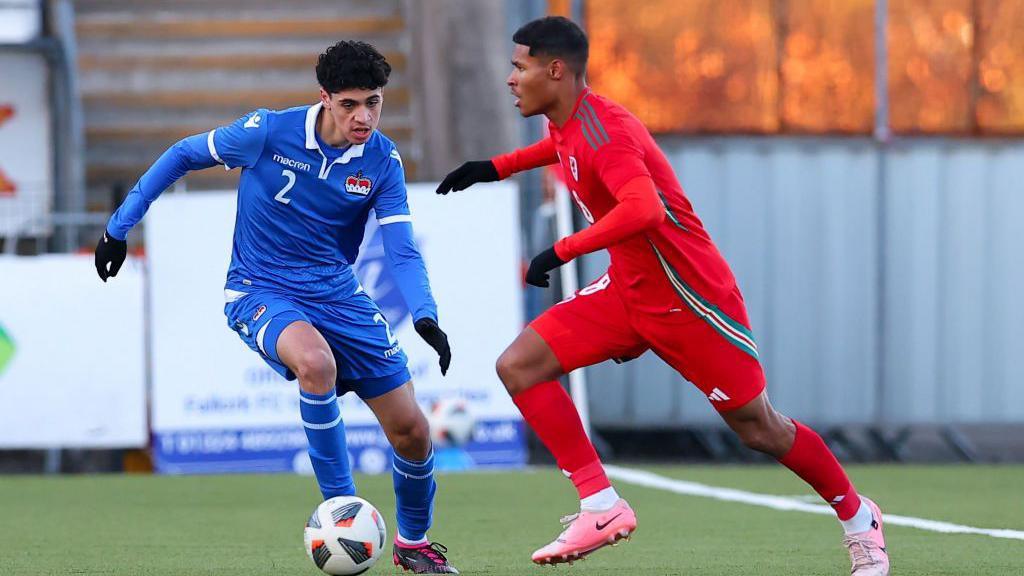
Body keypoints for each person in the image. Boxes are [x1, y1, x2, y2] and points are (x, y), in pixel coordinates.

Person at [436, 16, 888, 575]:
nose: (511, 79)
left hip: (690, 298)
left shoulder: (608, 130)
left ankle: (858, 517)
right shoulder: (569, 118)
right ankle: (600, 505)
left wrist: (563, 250)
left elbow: (643, 209)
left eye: (519, 67)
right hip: (628, 292)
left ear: (555, 71)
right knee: (520, 366)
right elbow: (566, 150)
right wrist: (495, 168)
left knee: (759, 428)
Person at [96, 40, 459, 574]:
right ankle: (341, 511)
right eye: (350, 104)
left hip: (337, 292)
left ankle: (414, 544)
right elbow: (182, 155)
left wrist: (424, 313)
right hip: (259, 287)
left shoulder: (383, 160)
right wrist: (118, 228)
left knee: (413, 431)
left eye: (374, 103)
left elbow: (401, 247)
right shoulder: (268, 131)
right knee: (315, 364)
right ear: (325, 98)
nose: (364, 117)